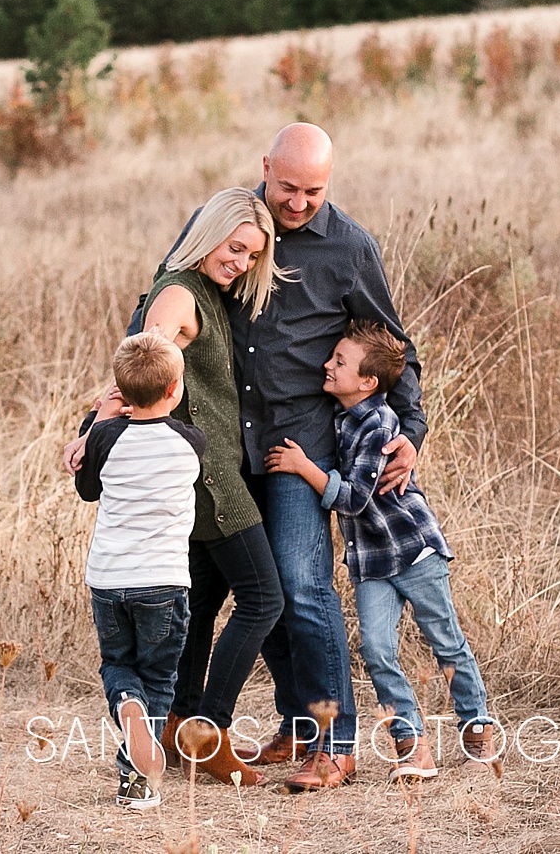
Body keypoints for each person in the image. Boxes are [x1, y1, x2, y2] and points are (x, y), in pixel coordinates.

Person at [131, 124, 427, 792]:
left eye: (313, 191)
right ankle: (292, 719)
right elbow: (159, 303)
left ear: (332, 181)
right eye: (287, 186)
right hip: (227, 446)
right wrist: (126, 391)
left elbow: (390, 341)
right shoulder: (232, 226)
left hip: (300, 445)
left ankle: (335, 742)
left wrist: (411, 427)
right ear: (265, 167)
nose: (297, 202)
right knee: (246, 584)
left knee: (301, 585)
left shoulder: (350, 247)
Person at [101, 187, 287, 787]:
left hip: (214, 473)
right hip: (210, 483)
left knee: (201, 606)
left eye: (251, 258)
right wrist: (97, 425)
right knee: (263, 597)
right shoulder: (179, 292)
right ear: (211, 234)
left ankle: (174, 723)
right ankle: (210, 728)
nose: (239, 264)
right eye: (235, 249)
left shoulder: (207, 287)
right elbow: (142, 369)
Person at [265, 321, 499, 781]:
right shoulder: (340, 417)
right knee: (375, 649)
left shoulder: (379, 425)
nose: (327, 365)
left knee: (445, 640)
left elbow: (354, 498)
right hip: (371, 562)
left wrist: (304, 467)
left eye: (339, 362)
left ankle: (477, 726)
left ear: (368, 382)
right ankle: (412, 744)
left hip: (413, 552)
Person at [74, 331, 205, 811]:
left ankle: (127, 710)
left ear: (120, 392)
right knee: (159, 677)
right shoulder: (191, 441)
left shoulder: (106, 437)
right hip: (164, 581)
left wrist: (97, 417)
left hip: (109, 579)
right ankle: (139, 778)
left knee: (119, 665)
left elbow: (88, 490)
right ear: (174, 390)